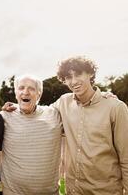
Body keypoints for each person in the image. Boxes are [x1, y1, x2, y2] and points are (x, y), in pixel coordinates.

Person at [53, 56, 128, 194]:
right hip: (73, 191)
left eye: (79, 74)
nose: (74, 81)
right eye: (68, 77)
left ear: (91, 73)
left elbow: (126, 157)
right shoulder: (63, 103)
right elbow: (39, 113)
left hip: (106, 191)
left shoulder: (115, 107)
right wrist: (14, 108)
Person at [0, 74, 62, 195]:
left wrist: (103, 97)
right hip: (13, 192)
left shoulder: (54, 114)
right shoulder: (4, 116)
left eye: (31, 88)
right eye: (21, 88)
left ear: (39, 94)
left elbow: (78, 106)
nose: (25, 92)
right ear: (16, 93)